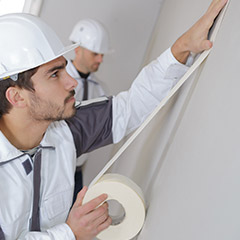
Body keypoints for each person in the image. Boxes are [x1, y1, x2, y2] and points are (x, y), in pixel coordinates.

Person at [0, 0, 227, 239]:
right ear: (16, 96)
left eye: (64, 69)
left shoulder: (65, 131)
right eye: (55, 75)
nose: (72, 82)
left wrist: (182, 47)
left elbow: (130, 107)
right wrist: (70, 233)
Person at [66, 19, 113, 201]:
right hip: (51, 167)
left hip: (76, 171)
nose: (100, 59)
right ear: (78, 49)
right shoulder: (56, 81)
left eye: (102, 54)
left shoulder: (100, 90)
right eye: (95, 54)